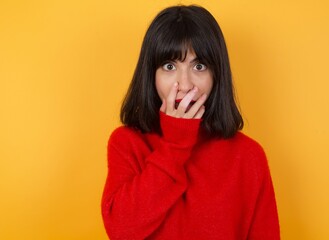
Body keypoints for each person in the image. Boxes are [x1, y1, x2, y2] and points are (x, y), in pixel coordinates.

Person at [101, 5, 280, 240]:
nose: (184, 85)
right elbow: (120, 230)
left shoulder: (248, 155)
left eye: (198, 66)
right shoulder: (126, 143)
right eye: (169, 66)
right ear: (151, 74)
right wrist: (175, 145)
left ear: (216, 74)